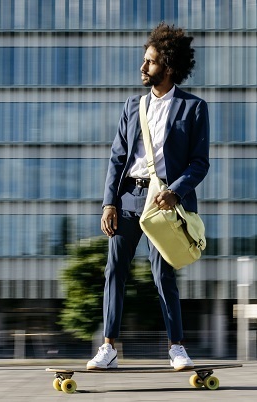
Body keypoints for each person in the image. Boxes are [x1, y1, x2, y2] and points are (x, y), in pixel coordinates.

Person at [87, 23, 210, 371]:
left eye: (150, 62)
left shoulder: (194, 109)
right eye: (144, 60)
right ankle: (108, 347)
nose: (143, 67)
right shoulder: (132, 106)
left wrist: (176, 191)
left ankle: (177, 348)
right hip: (128, 199)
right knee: (115, 271)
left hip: (163, 204)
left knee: (163, 275)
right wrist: (109, 203)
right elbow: (117, 157)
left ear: (168, 68)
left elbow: (200, 162)